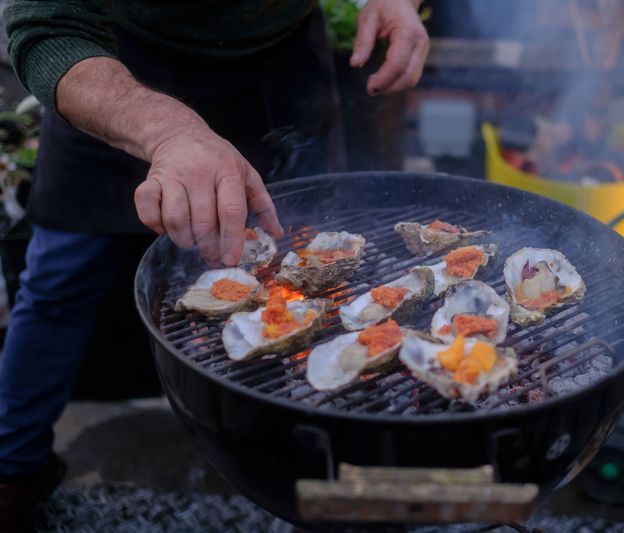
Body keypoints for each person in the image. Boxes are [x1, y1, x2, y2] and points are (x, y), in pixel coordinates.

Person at [0, 0, 429, 529]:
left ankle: (323, 467)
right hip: (115, 73)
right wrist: (167, 130)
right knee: (57, 286)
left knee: (313, 270)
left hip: (280, 72)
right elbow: (44, 26)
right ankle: (12, 468)